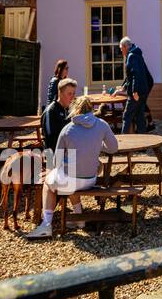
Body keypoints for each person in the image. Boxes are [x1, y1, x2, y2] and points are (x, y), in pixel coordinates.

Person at [24, 97, 118, 239]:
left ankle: (46, 225)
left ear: (74, 110)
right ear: (91, 109)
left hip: (73, 179)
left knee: (50, 183)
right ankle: (79, 219)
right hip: (90, 180)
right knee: (72, 179)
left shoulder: (67, 129)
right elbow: (113, 148)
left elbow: (56, 161)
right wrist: (97, 144)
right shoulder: (102, 124)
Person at [119, 36, 154, 134]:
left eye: (121, 49)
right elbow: (130, 76)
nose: (122, 51)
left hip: (137, 92)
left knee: (127, 116)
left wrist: (134, 91)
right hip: (144, 90)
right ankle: (142, 145)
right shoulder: (136, 54)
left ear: (126, 47)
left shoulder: (131, 56)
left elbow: (135, 74)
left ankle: (123, 142)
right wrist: (124, 87)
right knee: (139, 115)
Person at [40, 77, 77, 153]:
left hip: (69, 153)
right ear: (60, 93)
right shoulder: (50, 112)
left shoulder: (69, 109)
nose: (73, 97)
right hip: (55, 156)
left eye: (74, 94)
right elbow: (50, 142)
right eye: (70, 94)